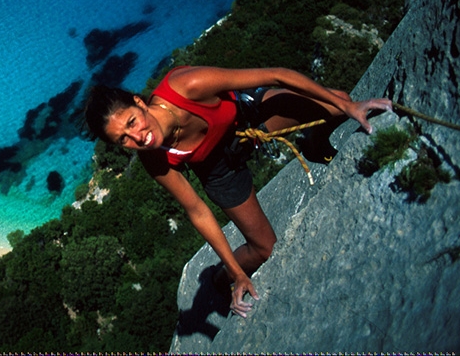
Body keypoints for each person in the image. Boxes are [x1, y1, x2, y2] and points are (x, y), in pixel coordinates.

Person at [83, 65, 392, 317]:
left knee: (336, 101)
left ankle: (314, 143)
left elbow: (276, 75)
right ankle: (219, 279)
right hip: (219, 169)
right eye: (123, 139)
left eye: (132, 122)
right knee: (264, 249)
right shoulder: (153, 157)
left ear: (139, 102)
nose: (138, 137)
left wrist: (348, 106)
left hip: (246, 119)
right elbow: (197, 210)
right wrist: (235, 273)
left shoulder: (187, 85)